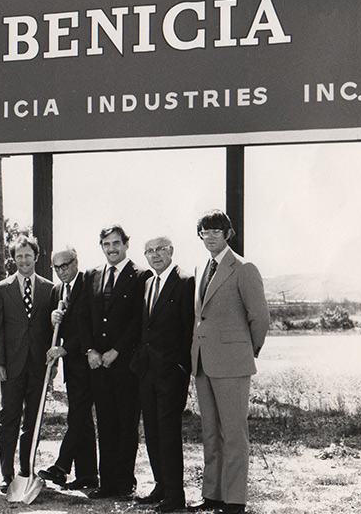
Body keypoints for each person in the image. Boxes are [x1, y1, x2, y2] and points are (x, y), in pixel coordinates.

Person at [188, 210, 269, 514]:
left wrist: (247, 351)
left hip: (233, 364)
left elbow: (259, 318)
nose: (209, 236)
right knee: (210, 431)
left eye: (215, 231)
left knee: (233, 434)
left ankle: (234, 501)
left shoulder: (244, 268)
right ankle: (212, 495)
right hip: (203, 363)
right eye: (204, 231)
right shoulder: (201, 267)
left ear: (228, 233)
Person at [79, 225, 151, 499]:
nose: (111, 248)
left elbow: (137, 320)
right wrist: (89, 350)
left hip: (125, 365)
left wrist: (117, 351)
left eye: (116, 243)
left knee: (126, 425)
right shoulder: (92, 275)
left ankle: (124, 483)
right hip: (98, 364)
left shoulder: (140, 275)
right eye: (106, 244)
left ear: (126, 245)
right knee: (106, 424)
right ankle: (107, 483)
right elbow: (84, 317)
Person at [131, 237, 195, 511]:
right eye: (150, 251)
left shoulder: (185, 281)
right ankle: (160, 486)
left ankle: (175, 496)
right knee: (153, 432)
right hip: (147, 372)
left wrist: (181, 367)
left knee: (168, 433)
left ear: (171, 251)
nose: (155, 255)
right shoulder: (148, 283)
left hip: (171, 372)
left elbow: (188, 328)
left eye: (161, 250)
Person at [0, 235, 55, 493]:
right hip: (12, 365)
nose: (24, 260)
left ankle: (26, 470)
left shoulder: (49, 289)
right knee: (9, 418)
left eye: (28, 255)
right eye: (19, 256)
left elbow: (52, 330)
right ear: (13, 259)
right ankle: (7, 474)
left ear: (36, 257)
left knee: (33, 420)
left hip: (39, 365)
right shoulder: (1, 289)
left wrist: (52, 366)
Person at [36, 247, 99, 491]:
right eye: (57, 267)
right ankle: (87, 475)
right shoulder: (57, 291)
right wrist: (54, 320)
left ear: (76, 261)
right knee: (82, 419)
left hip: (90, 361)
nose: (62, 271)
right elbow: (57, 332)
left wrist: (65, 349)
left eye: (66, 265)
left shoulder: (89, 284)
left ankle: (61, 467)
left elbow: (90, 327)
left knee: (78, 416)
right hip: (72, 368)